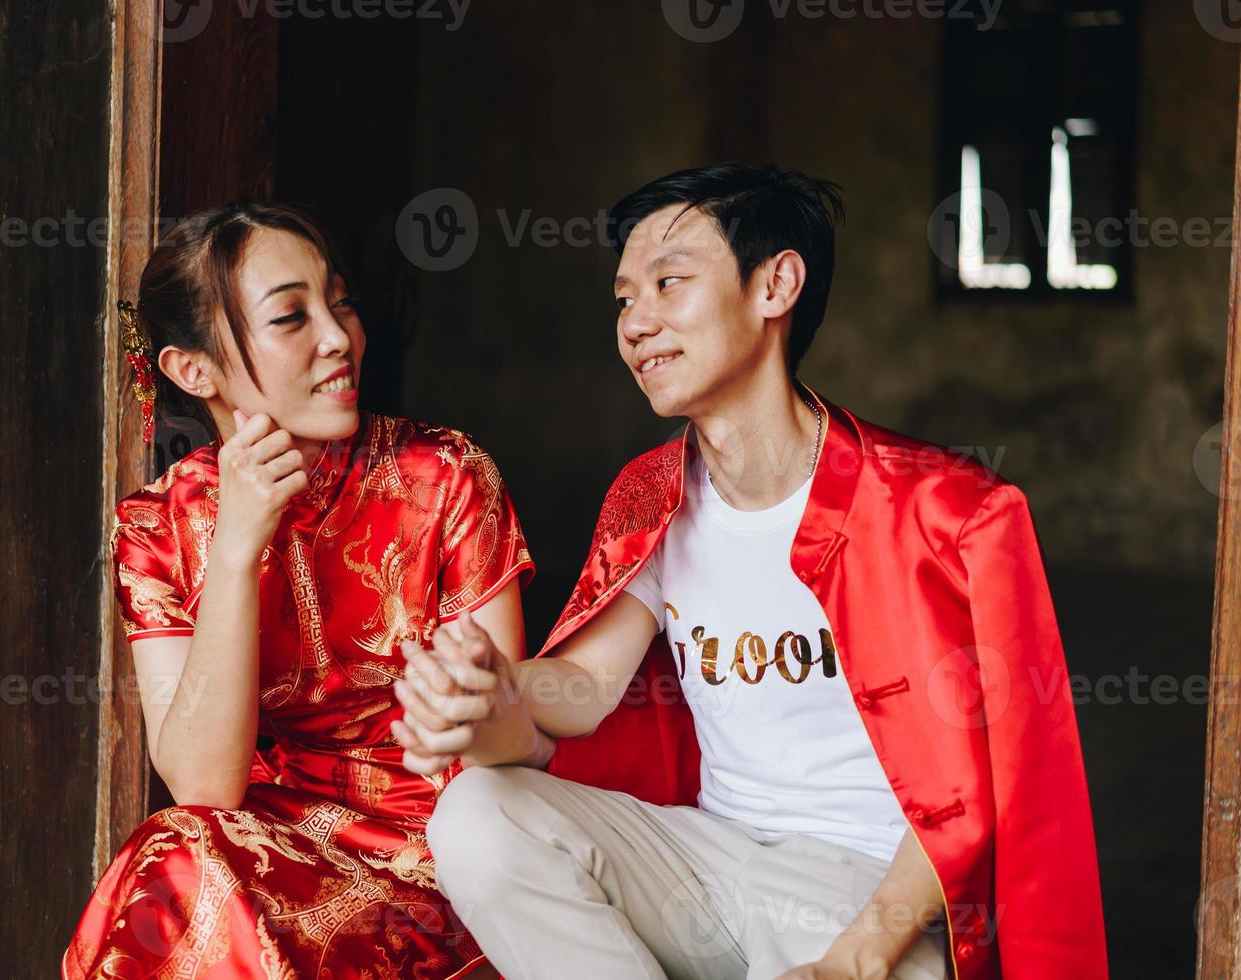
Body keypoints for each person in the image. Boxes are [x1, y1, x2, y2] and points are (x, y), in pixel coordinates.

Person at [393, 163, 1107, 980]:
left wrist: (856, 958)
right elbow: (585, 690)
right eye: (625, 299)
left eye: (669, 283)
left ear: (776, 285)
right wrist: (497, 692)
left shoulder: (938, 511)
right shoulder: (653, 495)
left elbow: (984, 783)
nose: (636, 323)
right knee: (479, 812)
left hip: (867, 898)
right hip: (708, 860)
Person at [61, 202, 532, 980]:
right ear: (193, 370)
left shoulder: (442, 477)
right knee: (175, 858)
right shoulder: (157, 527)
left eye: (339, 302)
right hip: (273, 845)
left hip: (441, 848)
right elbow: (205, 787)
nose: (340, 337)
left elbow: (500, 744)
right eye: (292, 317)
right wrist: (240, 542)